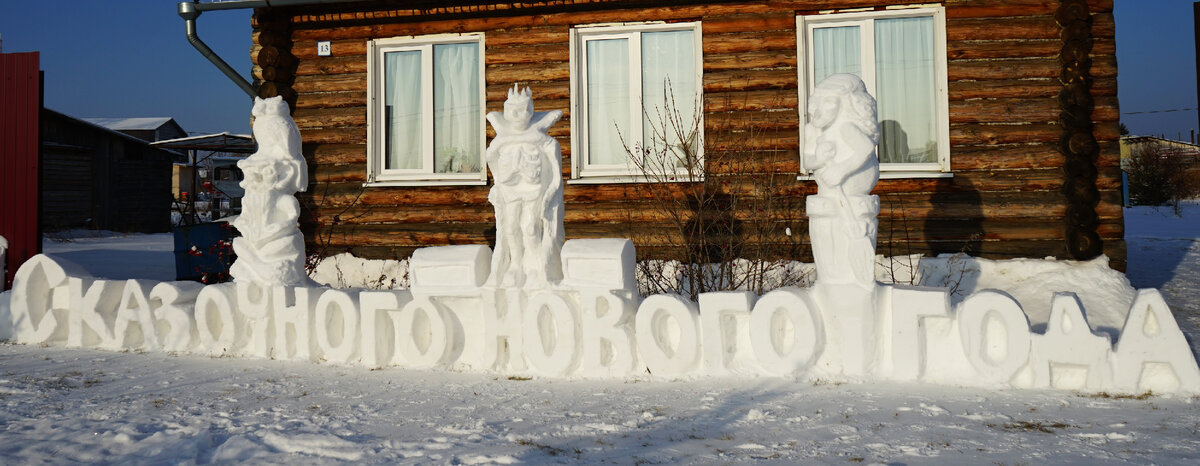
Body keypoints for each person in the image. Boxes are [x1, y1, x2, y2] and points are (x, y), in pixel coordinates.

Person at [485, 85, 565, 288]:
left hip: (533, 188)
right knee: (510, 227)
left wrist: (552, 191)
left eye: (523, 109)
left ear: (531, 110)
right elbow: (491, 158)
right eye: (513, 110)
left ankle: (535, 266)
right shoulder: (501, 139)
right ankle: (515, 266)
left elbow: (555, 172)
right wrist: (497, 183)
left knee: (530, 227)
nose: (518, 115)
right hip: (510, 189)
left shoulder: (543, 139)